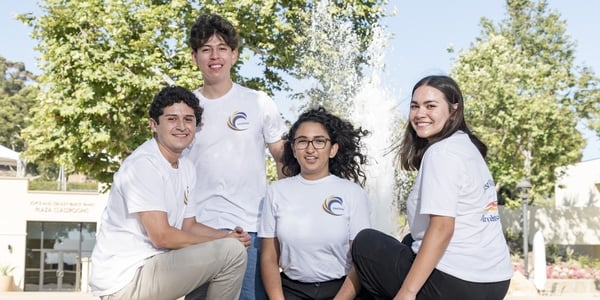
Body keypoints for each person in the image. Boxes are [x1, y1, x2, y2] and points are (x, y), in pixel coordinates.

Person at [346, 75, 513, 300]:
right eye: (415, 106)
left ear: (454, 110)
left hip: (457, 282)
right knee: (406, 243)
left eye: (430, 106)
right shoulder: (466, 145)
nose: (419, 114)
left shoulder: (441, 153)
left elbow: (443, 227)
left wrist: (408, 292)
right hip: (494, 280)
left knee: (366, 243)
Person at [89, 86, 250, 300]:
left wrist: (228, 236)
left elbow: (189, 226)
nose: (181, 126)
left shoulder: (185, 167)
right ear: (154, 125)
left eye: (189, 119)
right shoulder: (144, 165)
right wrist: (227, 245)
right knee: (231, 253)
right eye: (172, 119)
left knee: (228, 251)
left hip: (154, 268)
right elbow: (162, 237)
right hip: (126, 279)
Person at [183, 13, 287, 300]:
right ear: (194, 56)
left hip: (250, 230)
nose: (214, 56)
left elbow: (283, 159)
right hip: (198, 231)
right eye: (206, 49)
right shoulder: (185, 108)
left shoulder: (258, 102)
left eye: (222, 49)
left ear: (234, 54)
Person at [259, 107, 372, 300]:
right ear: (293, 149)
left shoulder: (353, 193)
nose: (310, 149)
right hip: (291, 291)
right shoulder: (275, 192)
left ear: (333, 149)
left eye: (319, 141)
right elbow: (269, 257)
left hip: (342, 291)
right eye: (302, 141)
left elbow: (360, 261)